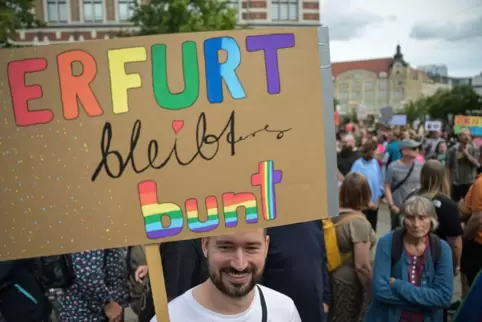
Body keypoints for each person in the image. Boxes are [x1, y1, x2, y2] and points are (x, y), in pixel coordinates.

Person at [150, 229, 302, 322]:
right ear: (205, 245)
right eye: (226, 247)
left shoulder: (284, 310)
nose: (240, 264)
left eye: (251, 248)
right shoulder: (169, 318)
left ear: (266, 246)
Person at [365, 196, 453, 321]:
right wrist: (426, 302)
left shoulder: (442, 249)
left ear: (431, 220)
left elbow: (444, 298)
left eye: (422, 218)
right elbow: (380, 291)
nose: (416, 224)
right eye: (411, 218)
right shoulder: (387, 243)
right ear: (403, 220)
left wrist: (398, 285)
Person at [329, 172, 376, 322]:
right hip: (348, 283)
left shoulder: (332, 214)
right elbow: (362, 266)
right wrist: (371, 290)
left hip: (330, 276)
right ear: (365, 193)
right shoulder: (359, 223)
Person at [262, 221, 330, 322]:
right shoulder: (266, 224)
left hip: (314, 308)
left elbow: (321, 259)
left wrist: (325, 299)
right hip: (278, 310)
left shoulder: (314, 221)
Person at [58, 248, 130, 322]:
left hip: (111, 306)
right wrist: (108, 302)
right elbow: (87, 272)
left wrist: (108, 303)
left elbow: (87, 271)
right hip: (85, 309)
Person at [384, 139, 424, 230]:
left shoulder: (421, 165)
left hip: (415, 207)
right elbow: (387, 186)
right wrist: (391, 205)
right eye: (413, 148)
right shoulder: (393, 167)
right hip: (398, 208)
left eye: (417, 148)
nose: (417, 150)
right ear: (404, 150)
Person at [351, 140, 383, 231]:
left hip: (374, 205)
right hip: (363, 205)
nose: (379, 152)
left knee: (372, 231)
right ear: (371, 151)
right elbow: (355, 186)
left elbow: (379, 183)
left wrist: (377, 201)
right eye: (377, 150)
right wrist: (367, 202)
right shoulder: (358, 164)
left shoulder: (375, 162)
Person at [446, 128, 480, 202]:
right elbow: (448, 167)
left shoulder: (474, 149)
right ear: (459, 137)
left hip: (469, 182)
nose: (466, 137)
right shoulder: (452, 150)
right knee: (454, 202)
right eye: (464, 135)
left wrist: (467, 154)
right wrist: (448, 182)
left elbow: (478, 164)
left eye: (468, 135)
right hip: (456, 182)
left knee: (468, 204)